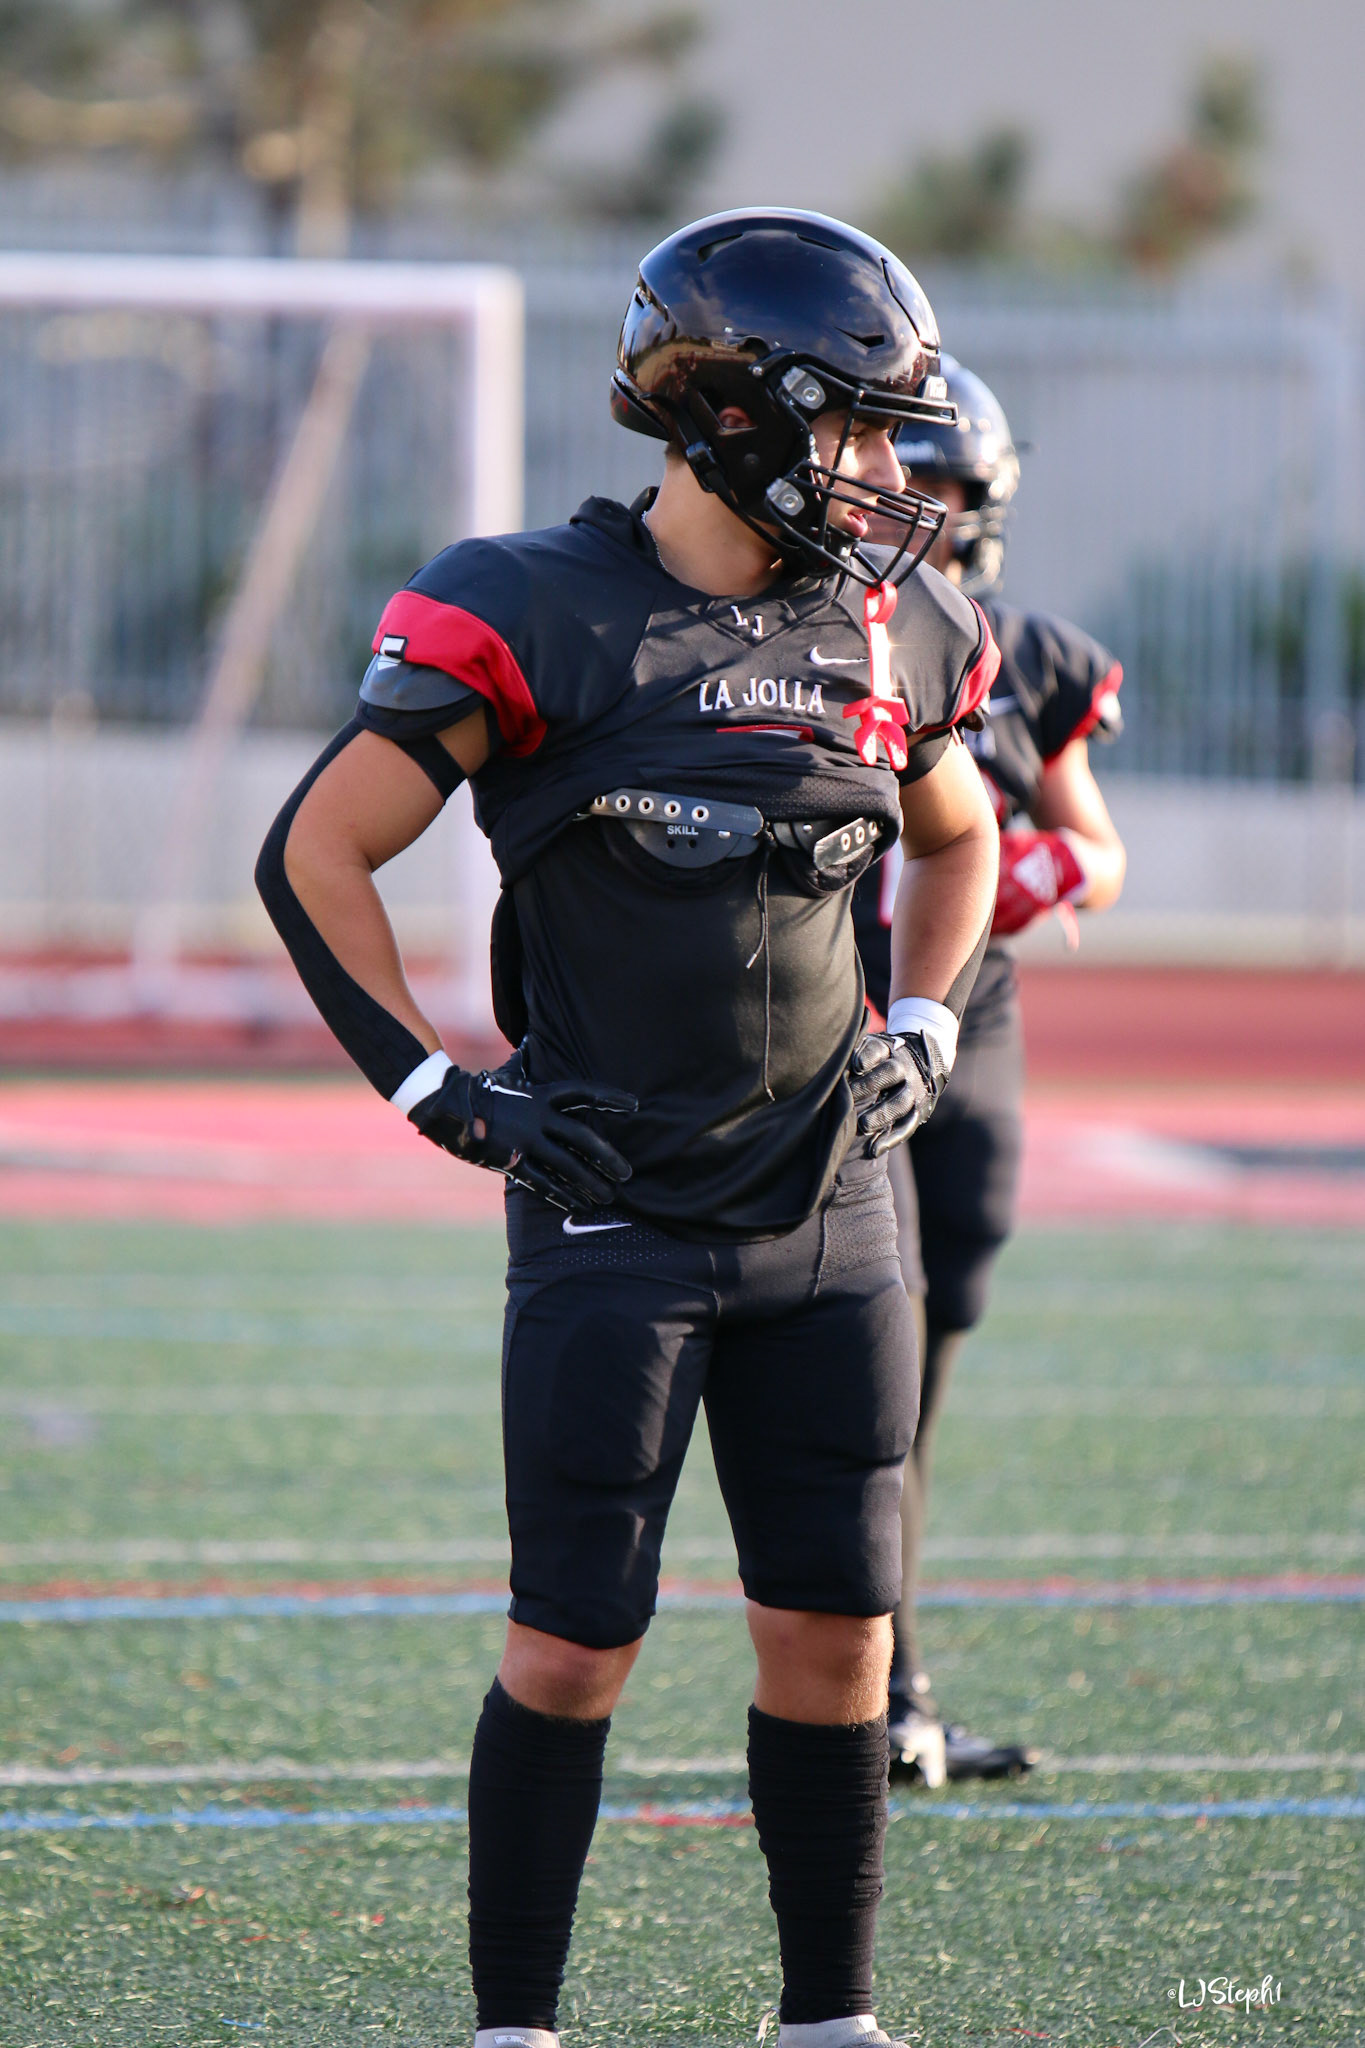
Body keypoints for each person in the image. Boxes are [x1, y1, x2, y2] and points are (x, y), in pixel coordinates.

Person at [257, 210, 1001, 2048]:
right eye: (855, 423)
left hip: (833, 1214)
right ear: (735, 413)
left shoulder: (892, 624)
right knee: (575, 1643)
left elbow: (959, 835)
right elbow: (318, 852)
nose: (885, 468)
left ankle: (827, 2020)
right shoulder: (532, 605)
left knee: (837, 1636)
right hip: (613, 1213)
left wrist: (922, 1019)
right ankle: (517, 2026)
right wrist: (435, 1090)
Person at [853, 357, 1127, 1787]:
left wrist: (1035, 873)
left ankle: (885, 1683)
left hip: (974, 1018)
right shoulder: (809, 628)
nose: (919, 501)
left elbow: (1096, 848)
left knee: (942, 1323)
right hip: (835, 1020)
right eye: (902, 470)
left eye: (945, 480)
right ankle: (879, 1691)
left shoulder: (1024, 653)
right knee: (878, 1356)